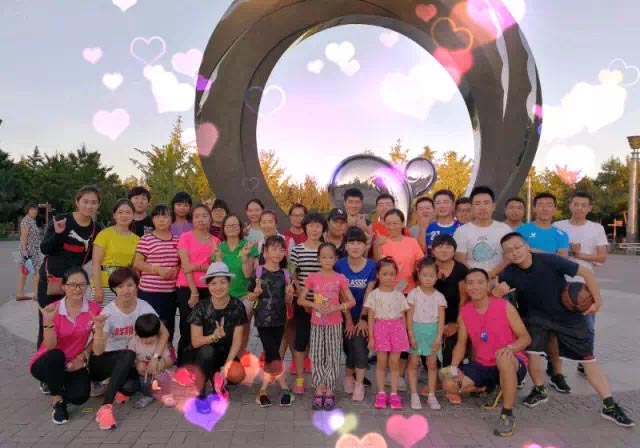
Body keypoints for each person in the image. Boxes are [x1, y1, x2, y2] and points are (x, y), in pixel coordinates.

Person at [497, 233, 635, 427]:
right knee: (533, 353)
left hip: (568, 317)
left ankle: (609, 405)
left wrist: (597, 300)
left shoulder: (550, 260)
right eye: (509, 251)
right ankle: (540, 390)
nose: (514, 252)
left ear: (526, 246)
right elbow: (493, 291)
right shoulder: (508, 273)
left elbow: (586, 273)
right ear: (505, 255)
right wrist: (496, 292)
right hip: (536, 318)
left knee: (588, 359)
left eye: (517, 247)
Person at [442, 268, 531, 437]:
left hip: (511, 362)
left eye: (480, 282)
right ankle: (492, 386)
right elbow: (461, 344)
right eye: (470, 283)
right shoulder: (465, 312)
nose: (475, 287)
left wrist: (510, 348)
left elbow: (525, 337)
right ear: (465, 287)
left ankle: (507, 414)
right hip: (483, 364)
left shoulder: (504, 306)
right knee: (449, 384)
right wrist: (453, 368)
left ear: (488, 285)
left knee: (503, 358)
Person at [90, 268, 170, 430]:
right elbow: (97, 351)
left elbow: (164, 333)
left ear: (136, 285)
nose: (126, 290)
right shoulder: (108, 312)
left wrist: (155, 358)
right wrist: (98, 330)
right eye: (120, 287)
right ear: (113, 289)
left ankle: (119, 387)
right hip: (106, 361)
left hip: (131, 362)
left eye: (129, 285)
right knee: (128, 354)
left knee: (131, 387)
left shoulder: (144, 307)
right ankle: (105, 408)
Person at [29, 267, 101, 424]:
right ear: (63, 287)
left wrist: (83, 356)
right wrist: (48, 322)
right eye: (72, 284)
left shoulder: (94, 309)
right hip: (48, 362)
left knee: (80, 397)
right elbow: (50, 346)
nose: (78, 289)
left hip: (74, 362)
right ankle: (57, 400)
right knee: (56, 355)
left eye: (82, 284)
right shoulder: (53, 309)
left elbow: (97, 337)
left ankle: (57, 384)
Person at [38, 185, 102, 352]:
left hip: (74, 286)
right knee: (47, 325)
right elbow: (45, 249)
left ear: (98, 205)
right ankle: (44, 362)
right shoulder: (62, 220)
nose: (89, 206)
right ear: (77, 202)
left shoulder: (97, 229)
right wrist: (58, 234)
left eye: (93, 202)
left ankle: (67, 360)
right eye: (85, 201)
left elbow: (92, 257)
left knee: (70, 327)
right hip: (51, 282)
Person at [554, 191, 609, 376]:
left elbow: (602, 256)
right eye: (576, 204)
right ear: (570, 205)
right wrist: (568, 252)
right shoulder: (558, 226)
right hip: (559, 281)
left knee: (587, 324)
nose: (579, 208)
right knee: (556, 325)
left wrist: (580, 255)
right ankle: (555, 366)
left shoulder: (596, 228)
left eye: (583, 205)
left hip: (585, 284)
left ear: (589, 208)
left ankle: (585, 360)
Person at [298, 243, 356, 410]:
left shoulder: (340, 278)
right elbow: (301, 300)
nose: (327, 260)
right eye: (323, 257)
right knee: (316, 356)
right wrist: (314, 305)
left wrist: (336, 307)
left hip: (335, 323)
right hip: (316, 323)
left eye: (330, 257)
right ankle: (318, 390)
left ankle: (330, 391)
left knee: (332, 356)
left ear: (335, 258)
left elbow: (351, 301)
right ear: (318, 259)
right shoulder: (312, 277)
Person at [189, 263, 248, 413]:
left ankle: (218, 380)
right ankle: (200, 392)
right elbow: (195, 342)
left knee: (237, 374)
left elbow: (237, 340)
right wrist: (213, 336)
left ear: (229, 283)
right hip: (203, 354)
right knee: (207, 351)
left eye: (222, 282)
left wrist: (228, 364)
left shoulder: (237, 306)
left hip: (226, 352)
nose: (218, 287)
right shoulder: (200, 307)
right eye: (213, 283)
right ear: (208, 286)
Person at [247, 236, 296, 407]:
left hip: (280, 319)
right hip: (262, 320)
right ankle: (284, 387)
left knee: (271, 355)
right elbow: (249, 295)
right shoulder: (258, 272)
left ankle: (263, 389)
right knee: (273, 352)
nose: (277, 253)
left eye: (281, 249)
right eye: (273, 249)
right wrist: (255, 293)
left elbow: (288, 301)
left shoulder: (286, 274)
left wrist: (289, 294)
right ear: (265, 252)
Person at [174, 205, 220, 384]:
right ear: (192, 220)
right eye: (197, 216)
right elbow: (186, 266)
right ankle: (183, 370)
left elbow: (216, 267)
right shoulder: (185, 237)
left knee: (207, 329)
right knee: (187, 329)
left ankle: (202, 369)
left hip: (209, 289)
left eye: (204, 216)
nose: (201, 219)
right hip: (187, 287)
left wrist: (198, 267)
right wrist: (193, 291)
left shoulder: (215, 241)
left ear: (210, 218)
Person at [335, 227, 376, 401]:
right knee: (349, 346)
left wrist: (363, 318)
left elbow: (369, 293)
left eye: (359, 243)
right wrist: (349, 320)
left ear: (365, 246)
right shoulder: (339, 265)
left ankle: (358, 383)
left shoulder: (372, 265)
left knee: (359, 345)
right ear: (346, 245)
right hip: (343, 313)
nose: (355, 246)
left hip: (365, 314)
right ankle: (348, 375)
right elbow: (340, 294)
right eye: (351, 243)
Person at [365, 257, 410, 410]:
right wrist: (371, 337)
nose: (388, 277)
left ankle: (394, 393)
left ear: (395, 275)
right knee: (381, 362)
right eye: (384, 274)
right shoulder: (374, 295)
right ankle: (381, 393)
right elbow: (371, 317)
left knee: (394, 363)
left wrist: (405, 334)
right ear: (378, 275)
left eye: (391, 274)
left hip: (397, 329)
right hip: (380, 329)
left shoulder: (399, 295)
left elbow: (403, 316)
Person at [133, 204, 180, 345]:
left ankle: (166, 354)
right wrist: (157, 270)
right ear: (152, 220)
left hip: (170, 292)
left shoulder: (178, 240)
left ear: (171, 219)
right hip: (149, 292)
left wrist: (177, 268)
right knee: (148, 327)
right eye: (157, 216)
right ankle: (145, 355)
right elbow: (137, 263)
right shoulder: (146, 239)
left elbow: (182, 262)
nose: (161, 220)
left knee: (167, 327)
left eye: (165, 216)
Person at [290, 212, 326, 394]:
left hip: (322, 304)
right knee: (300, 341)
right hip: (302, 302)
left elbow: (328, 275)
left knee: (319, 342)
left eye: (318, 225)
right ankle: (299, 378)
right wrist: (301, 297)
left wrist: (318, 302)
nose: (314, 229)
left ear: (323, 228)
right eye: (311, 225)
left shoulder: (326, 250)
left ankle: (319, 379)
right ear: (305, 227)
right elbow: (293, 275)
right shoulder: (297, 250)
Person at [214, 214, 259, 355]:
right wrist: (218, 258)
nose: (232, 228)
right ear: (223, 228)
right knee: (226, 328)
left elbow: (248, 274)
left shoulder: (248, 246)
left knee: (243, 327)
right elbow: (217, 274)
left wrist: (245, 257)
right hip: (224, 295)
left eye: (235, 225)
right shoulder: (219, 247)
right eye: (228, 225)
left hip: (245, 295)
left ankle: (239, 356)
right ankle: (227, 356)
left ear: (240, 228)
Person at [432, 234, 468, 403]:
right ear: (433, 250)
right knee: (428, 353)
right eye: (440, 246)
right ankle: (436, 382)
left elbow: (463, 300)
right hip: (430, 318)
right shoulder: (428, 267)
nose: (444, 250)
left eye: (448, 246)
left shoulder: (461, 270)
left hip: (454, 318)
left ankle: (450, 385)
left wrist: (456, 324)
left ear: (454, 250)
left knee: (450, 352)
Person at [406, 258, 446, 410]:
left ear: (437, 276)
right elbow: (409, 316)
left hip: (432, 332)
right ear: (419, 275)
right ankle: (414, 394)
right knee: (413, 363)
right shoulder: (413, 294)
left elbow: (441, 319)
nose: (428, 279)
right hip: (416, 330)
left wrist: (438, 337)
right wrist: (411, 335)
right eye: (424, 275)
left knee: (432, 364)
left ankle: (431, 394)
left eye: (431, 276)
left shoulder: (439, 297)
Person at [454, 186, 511, 277]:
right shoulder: (461, 231)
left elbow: (509, 257)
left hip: (499, 279)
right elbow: (460, 260)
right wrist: (479, 278)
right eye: (477, 204)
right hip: (472, 280)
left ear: (493, 206)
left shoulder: (505, 229)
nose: (482, 207)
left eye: (486, 203)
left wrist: (491, 274)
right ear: (472, 207)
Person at [92, 199, 140, 307]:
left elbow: (135, 268)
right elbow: (96, 263)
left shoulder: (137, 239)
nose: (124, 215)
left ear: (133, 215)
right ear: (114, 215)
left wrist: (135, 290)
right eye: (120, 212)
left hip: (125, 288)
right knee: (102, 317)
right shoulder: (104, 234)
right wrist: (98, 289)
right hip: (104, 287)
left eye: (128, 212)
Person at [127, 314, 174, 408]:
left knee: (164, 376)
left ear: (157, 333)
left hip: (159, 371)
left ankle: (166, 394)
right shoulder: (133, 342)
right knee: (143, 380)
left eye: (151, 337)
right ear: (137, 333)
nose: (147, 340)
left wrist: (160, 365)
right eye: (144, 338)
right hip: (144, 373)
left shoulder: (160, 343)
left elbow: (170, 361)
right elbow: (129, 360)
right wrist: (137, 365)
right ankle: (148, 396)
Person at [374, 209, 424, 294]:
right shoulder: (381, 242)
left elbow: (420, 265)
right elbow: (379, 265)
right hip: (387, 291)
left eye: (395, 223)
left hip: (410, 291)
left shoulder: (412, 242)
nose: (391, 227)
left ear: (402, 224)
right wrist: (377, 246)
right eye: (388, 223)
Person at [517, 192, 569, 256]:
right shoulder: (522, 230)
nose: (545, 209)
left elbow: (563, 258)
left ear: (555, 209)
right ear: (534, 209)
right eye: (540, 205)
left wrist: (540, 252)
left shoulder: (561, 235)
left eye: (549, 205)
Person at [16, 203, 43, 301]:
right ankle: (36, 295)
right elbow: (24, 237)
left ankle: (20, 294)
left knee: (24, 272)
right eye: (32, 209)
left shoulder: (31, 221)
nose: (34, 211)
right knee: (35, 272)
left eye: (35, 209)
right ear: (27, 210)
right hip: (29, 251)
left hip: (30, 250)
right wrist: (25, 253)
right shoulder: (27, 221)